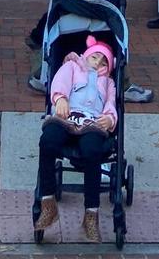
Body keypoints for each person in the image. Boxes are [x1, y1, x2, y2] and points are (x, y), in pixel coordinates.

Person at [35, 35, 118, 243]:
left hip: (92, 122)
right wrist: (60, 98)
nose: (98, 63)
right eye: (95, 57)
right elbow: (59, 83)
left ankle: (91, 213)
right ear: (87, 55)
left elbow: (111, 104)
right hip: (66, 115)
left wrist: (109, 118)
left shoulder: (108, 82)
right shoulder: (72, 66)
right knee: (48, 142)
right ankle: (47, 202)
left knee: (92, 152)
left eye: (104, 61)